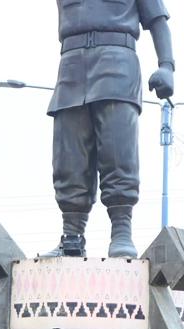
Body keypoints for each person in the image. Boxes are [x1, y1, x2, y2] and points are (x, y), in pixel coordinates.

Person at [45, 0, 174, 257]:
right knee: (68, 155)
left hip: (117, 61)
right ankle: (72, 234)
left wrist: (166, 65)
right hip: (71, 65)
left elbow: (157, 20)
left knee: (118, 149)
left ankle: (121, 230)